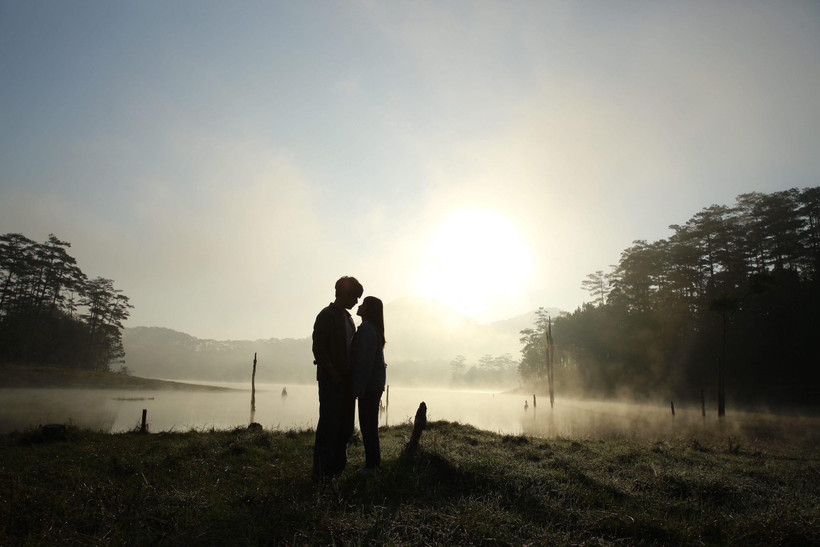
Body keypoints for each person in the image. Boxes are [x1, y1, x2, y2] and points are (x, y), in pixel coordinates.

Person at [311, 275, 363, 479]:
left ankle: (337, 467)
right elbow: (319, 348)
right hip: (332, 380)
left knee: (345, 425)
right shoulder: (326, 315)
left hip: (346, 380)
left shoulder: (349, 318)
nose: (356, 302)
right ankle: (322, 470)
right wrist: (333, 373)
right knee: (329, 424)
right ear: (343, 294)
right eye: (355, 297)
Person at [350, 296, 387, 473]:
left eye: (363, 304)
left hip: (369, 386)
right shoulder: (371, 329)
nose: (359, 305)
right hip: (373, 385)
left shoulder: (366, 330)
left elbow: (364, 362)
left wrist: (359, 388)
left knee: (368, 426)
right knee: (369, 425)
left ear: (369, 310)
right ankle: (373, 463)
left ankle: (372, 465)